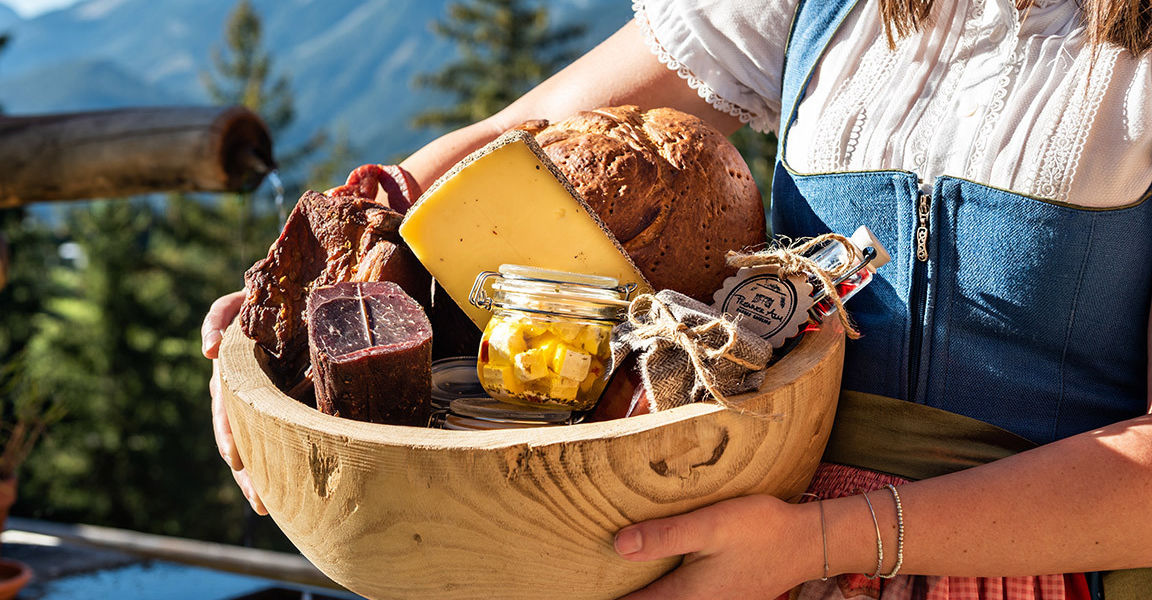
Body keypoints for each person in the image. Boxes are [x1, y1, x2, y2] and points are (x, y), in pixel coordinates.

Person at [201, 0, 1152, 598]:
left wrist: (816, 542)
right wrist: (305, 280)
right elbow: (512, 146)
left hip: (1015, 564)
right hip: (726, 535)